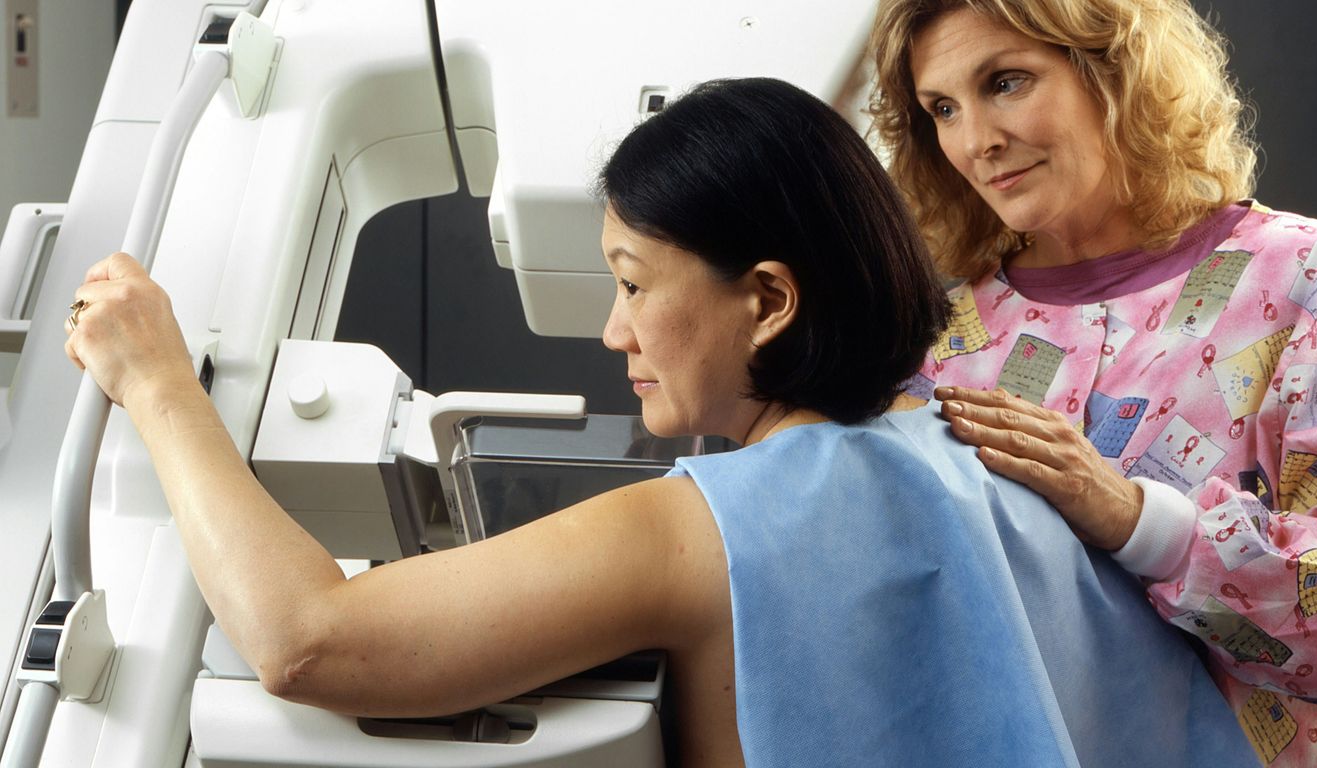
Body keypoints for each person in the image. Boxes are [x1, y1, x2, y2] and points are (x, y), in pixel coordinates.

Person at [63, 77, 1254, 766]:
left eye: (633, 283)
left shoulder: (704, 531)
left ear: (768, 299)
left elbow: (309, 641)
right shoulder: (1014, 480)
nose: (613, 334)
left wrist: (158, 382)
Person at [870, 0, 1317, 763]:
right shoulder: (937, 341)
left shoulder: (1307, 278)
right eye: (942, 108)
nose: (976, 141)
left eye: (1005, 82)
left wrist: (1139, 522)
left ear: (1116, 72)